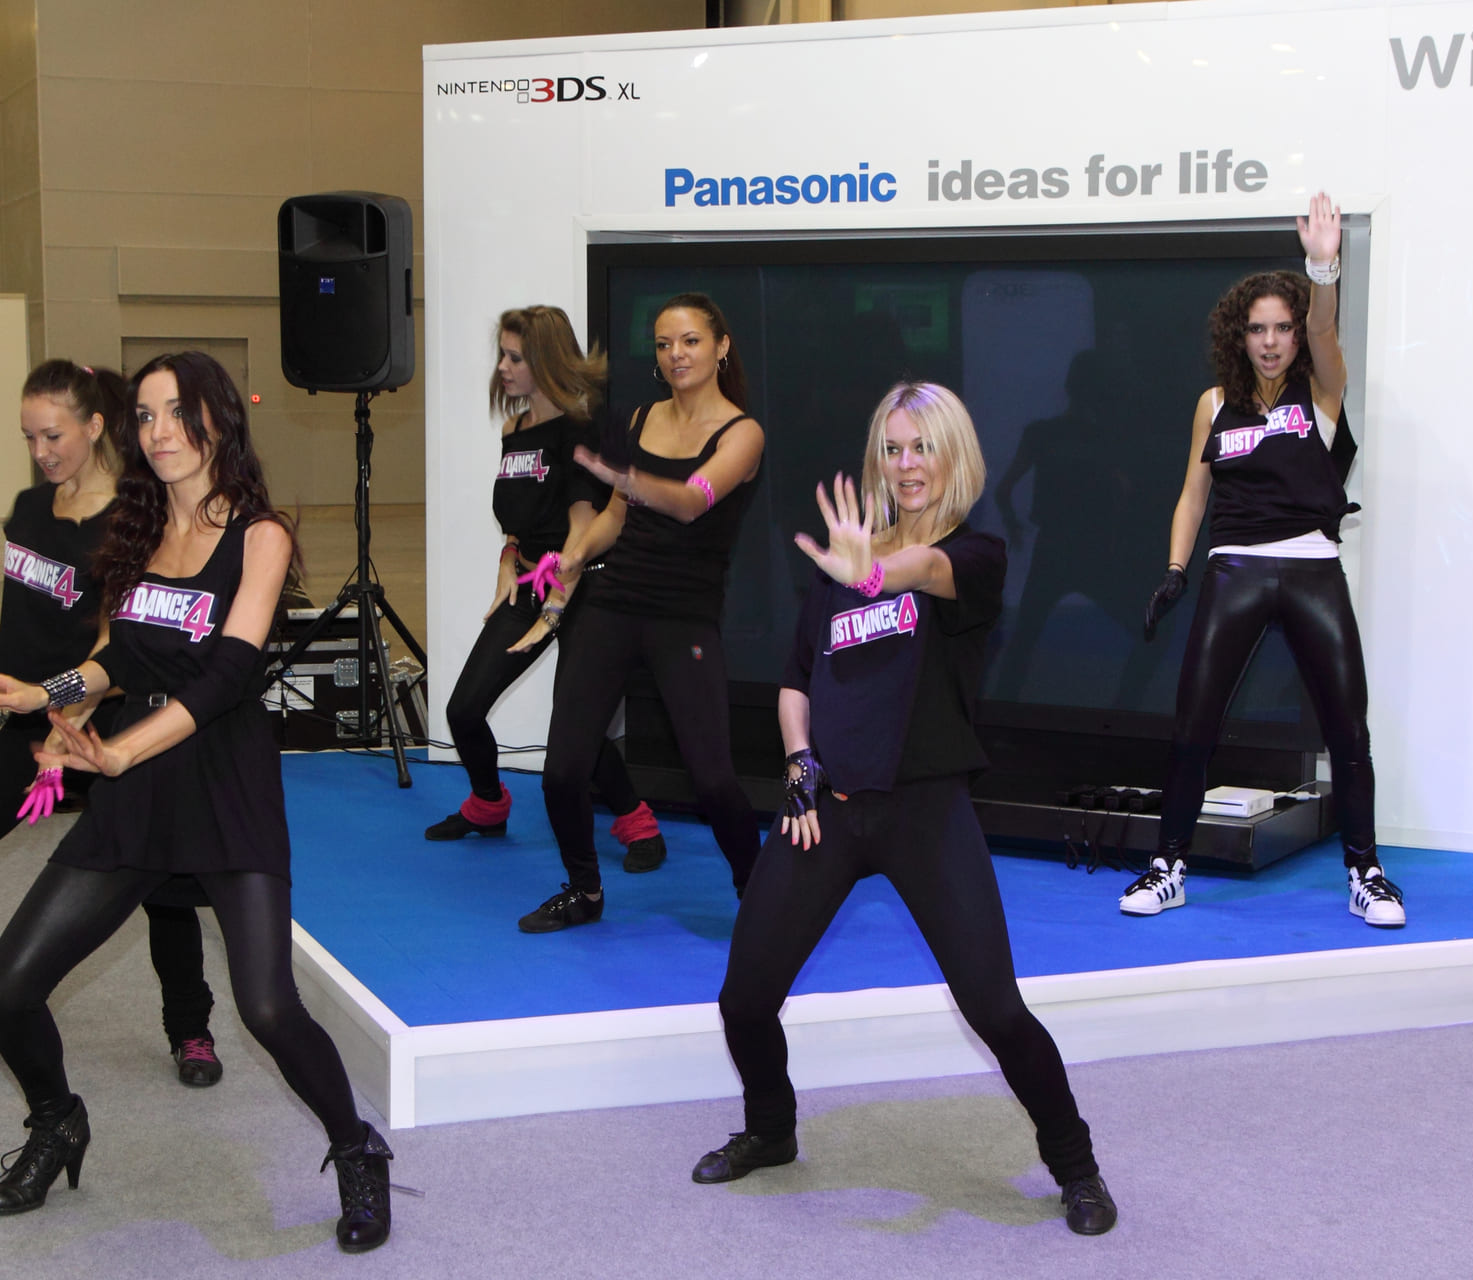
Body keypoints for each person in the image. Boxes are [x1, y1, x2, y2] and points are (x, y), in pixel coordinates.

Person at [0, 352, 393, 1252]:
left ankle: (357, 1148)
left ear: (218, 418)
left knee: (267, 1009)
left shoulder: (260, 535)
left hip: (224, 783)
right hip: (139, 790)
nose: (158, 432)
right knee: (7, 987)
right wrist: (40, 693)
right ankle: (56, 1122)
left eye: (177, 411)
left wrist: (118, 751)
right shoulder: (136, 529)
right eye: (145, 416)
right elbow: (119, 659)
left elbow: (226, 675)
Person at [696, 383, 1116, 1236]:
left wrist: (872, 571)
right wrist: (798, 765)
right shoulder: (841, 566)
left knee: (995, 1009)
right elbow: (796, 680)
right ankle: (771, 1131)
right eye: (891, 449)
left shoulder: (974, 557)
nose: (906, 464)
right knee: (743, 997)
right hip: (829, 810)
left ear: (953, 455)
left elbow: (921, 571)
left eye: (922, 446)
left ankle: (1076, 1167)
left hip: (925, 811)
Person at [0, 360, 221, 1087]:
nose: (41, 451)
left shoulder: (133, 522)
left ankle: (190, 1030)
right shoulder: (28, 508)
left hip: (108, 730)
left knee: (161, 889)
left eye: (53, 435)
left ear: (95, 425)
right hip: (31, 728)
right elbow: (31, 612)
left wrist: (67, 717)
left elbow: (116, 645)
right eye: (29, 437)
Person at [1129, 192, 1400, 927]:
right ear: (1239, 335)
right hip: (1234, 570)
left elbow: (1325, 327)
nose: (1272, 341)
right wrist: (1176, 569)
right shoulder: (1215, 403)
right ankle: (1169, 866)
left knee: (1349, 731)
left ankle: (1367, 873)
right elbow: (1193, 495)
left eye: (1283, 327)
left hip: (1313, 569)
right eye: (1258, 329)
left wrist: (1322, 268)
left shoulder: (1323, 390)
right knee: (1193, 726)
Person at [517, 293, 765, 932]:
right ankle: (585, 892)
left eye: (690, 341)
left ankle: (762, 893)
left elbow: (689, 503)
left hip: (684, 617)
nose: (676, 354)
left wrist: (624, 477)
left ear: (721, 347)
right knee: (562, 770)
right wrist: (574, 557)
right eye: (663, 344)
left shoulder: (743, 434)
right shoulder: (640, 420)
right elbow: (612, 519)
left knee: (713, 781)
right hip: (613, 604)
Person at [423, 306, 667, 871]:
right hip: (532, 583)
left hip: (588, 589)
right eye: (503, 356)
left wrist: (556, 606)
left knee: (576, 725)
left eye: (516, 358)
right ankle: (489, 804)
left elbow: (584, 525)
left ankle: (638, 823)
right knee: (463, 709)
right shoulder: (514, 431)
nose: (503, 368)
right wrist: (509, 557)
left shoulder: (583, 430)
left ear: (547, 361)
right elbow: (519, 514)